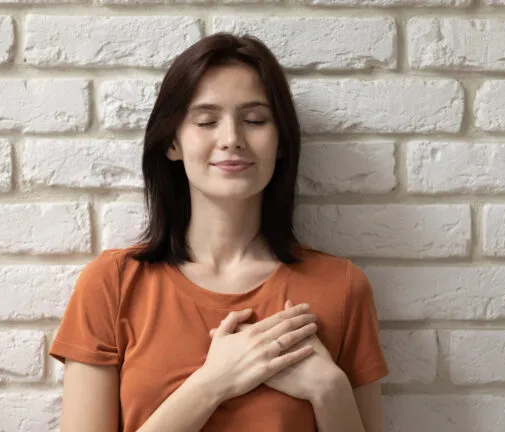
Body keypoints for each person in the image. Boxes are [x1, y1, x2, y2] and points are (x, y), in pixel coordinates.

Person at [49, 33, 388, 432]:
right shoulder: (113, 285)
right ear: (173, 141)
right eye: (207, 121)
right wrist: (214, 382)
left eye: (255, 121)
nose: (232, 140)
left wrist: (329, 388)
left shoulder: (341, 288)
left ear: (280, 142)